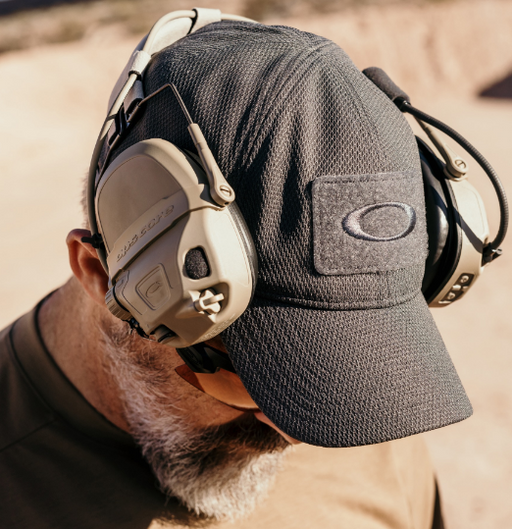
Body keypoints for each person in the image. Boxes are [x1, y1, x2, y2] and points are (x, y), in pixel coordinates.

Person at [0, 10, 472, 529]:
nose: (298, 432)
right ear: (99, 273)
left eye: (341, 369)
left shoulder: (359, 416)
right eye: (252, 374)